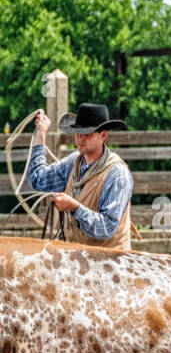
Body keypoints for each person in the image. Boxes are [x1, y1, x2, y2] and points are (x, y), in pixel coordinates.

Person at [26, 102, 134, 249]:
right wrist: (40, 133)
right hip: (77, 257)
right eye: (78, 132)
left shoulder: (117, 174)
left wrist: (74, 208)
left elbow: (107, 228)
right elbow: (38, 180)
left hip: (111, 261)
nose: (80, 138)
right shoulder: (73, 162)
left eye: (87, 134)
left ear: (102, 135)